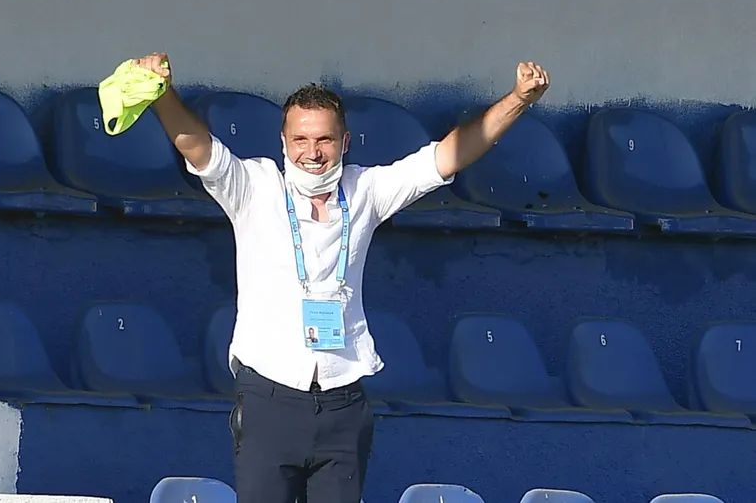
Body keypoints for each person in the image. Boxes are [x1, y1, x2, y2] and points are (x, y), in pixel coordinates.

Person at [134, 52, 550, 503]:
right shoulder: (254, 186)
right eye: (300, 139)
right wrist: (162, 93)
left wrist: (518, 99)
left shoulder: (364, 189)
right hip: (269, 397)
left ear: (345, 141)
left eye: (324, 140)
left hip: (343, 402)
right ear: (283, 142)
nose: (312, 152)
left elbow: (449, 155)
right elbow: (197, 147)